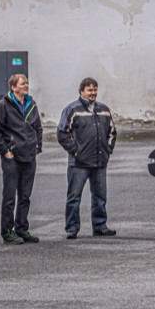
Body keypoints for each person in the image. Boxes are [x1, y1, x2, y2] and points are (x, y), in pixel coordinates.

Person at [57, 77, 117, 239]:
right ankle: (72, 228)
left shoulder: (104, 110)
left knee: (100, 196)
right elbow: (62, 133)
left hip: (99, 162)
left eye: (95, 89)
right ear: (81, 91)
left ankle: (100, 226)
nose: (93, 93)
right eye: (90, 90)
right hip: (79, 163)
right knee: (74, 197)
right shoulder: (72, 110)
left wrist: (107, 151)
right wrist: (75, 151)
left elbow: (112, 133)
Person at [0, 74, 43, 244]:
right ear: (13, 87)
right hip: (12, 157)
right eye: (22, 83)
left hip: (29, 156)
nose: (26, 85)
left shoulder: (31, 104)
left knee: (25, 196)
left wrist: (37, 147)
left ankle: (22, 228)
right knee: (10, 196)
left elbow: (38, 128)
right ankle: (7, 231)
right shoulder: (2, 105)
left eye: (27, 82)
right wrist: (5, 151)